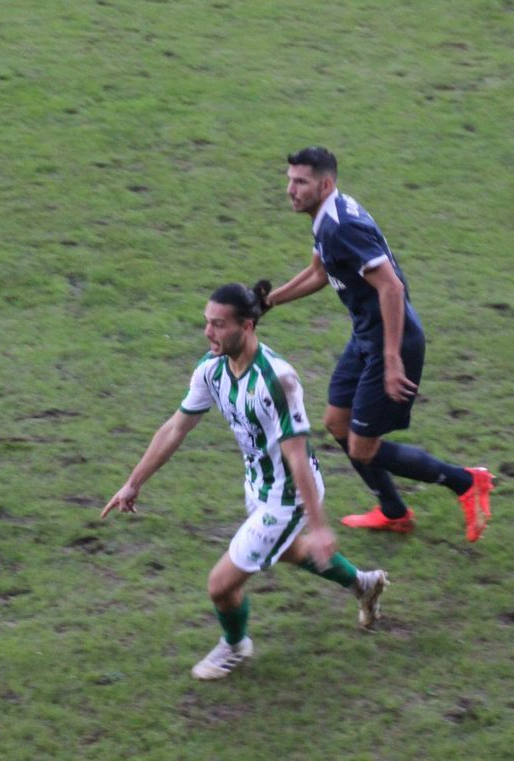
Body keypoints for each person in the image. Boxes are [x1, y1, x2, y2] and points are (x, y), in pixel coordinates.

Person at [102, 281, 389, 681]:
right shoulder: (212, 370)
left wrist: (321, 527)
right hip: (258, 484)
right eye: (207, 323)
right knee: (289, 551)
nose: (208, 333)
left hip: (289, 494)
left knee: (220, 585)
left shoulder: (278, 380)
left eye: (218, 325)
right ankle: (364, 584)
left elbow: (297, 457)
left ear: (248, 326)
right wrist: (133, 483)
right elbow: (175, 428)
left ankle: (235, 647)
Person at [262, 146, 493, 540]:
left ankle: (466, 482)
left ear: (325, 184)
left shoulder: (341, 226)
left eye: (300, 182)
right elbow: (321, 272)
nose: (290, 190)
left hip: (393, 340)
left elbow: (391, 285)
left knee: (363, 448)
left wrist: (391, 359)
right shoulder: (327, 217)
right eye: (289, 180)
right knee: (337, 423)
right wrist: (269, 300)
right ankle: (394, 511)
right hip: (367, 335)